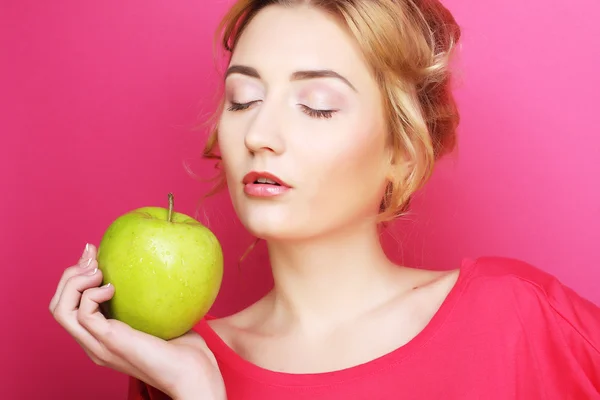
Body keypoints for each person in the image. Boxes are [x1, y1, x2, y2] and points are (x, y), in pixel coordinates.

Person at [49, 0, 600, 399]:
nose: (259, 133)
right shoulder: (176, 365)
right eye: (244, 99)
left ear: (403, 152)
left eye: (315, 105)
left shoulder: (525, 320)